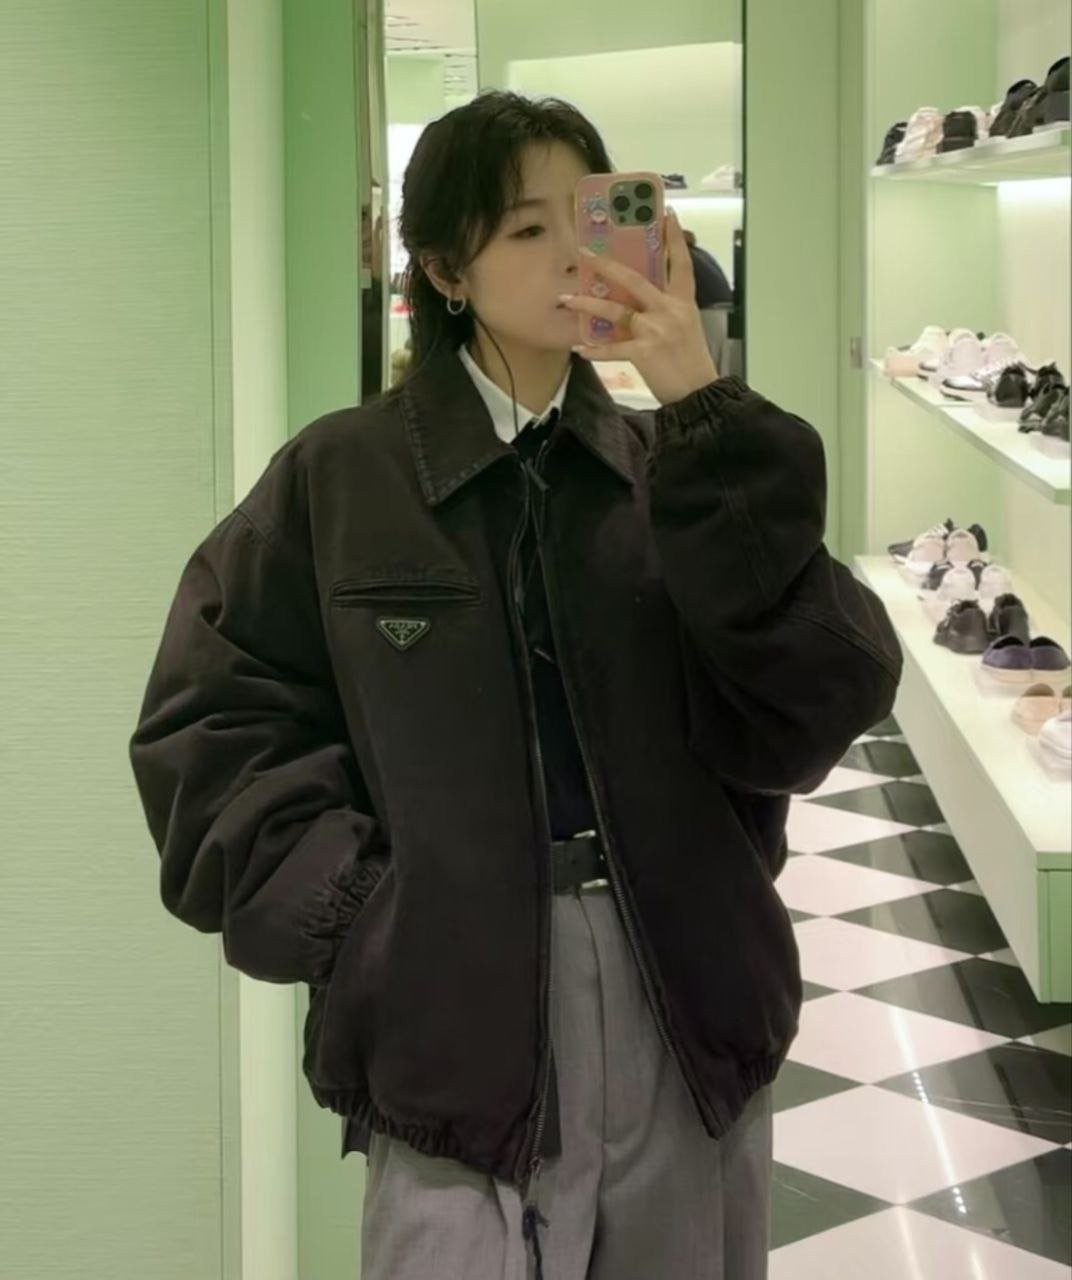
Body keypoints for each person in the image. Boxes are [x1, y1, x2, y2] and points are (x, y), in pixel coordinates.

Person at [128, 89, 902, 1280]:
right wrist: (363, 921)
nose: (572, 256)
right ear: (448, 270)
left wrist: (701, 402)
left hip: (678, 981)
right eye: (526, 228)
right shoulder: (343, 476)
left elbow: (822, 694)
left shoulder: (674, 466)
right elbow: (210, 728)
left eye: (590, 218)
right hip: (450, 1003)